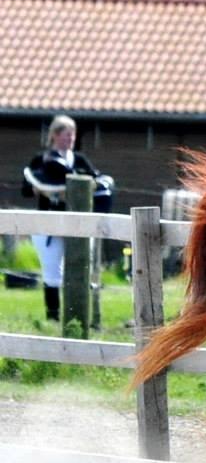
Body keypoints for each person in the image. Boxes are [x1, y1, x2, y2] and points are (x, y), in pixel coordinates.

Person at [22, 114, 113, 320]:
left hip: (78, 222)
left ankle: (80, 316)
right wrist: (40, 190)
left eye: (72, 135)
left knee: (81, 268)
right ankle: (52, 317)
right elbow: (26, 189)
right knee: (52, 271)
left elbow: (97, 180)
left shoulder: (79, 160)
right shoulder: (41, 159)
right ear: (54, 136)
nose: (70, 138)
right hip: (49, 223)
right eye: (66, 135)